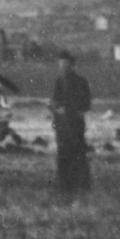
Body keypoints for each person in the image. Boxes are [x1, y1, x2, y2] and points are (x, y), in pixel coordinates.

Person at [50, 51, 92, 195]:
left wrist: (77, 112)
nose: (63, 67)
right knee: (63, 154)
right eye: (61, 64)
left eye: (66, 64)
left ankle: (81, 184)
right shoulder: (59, 81)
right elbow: (54, 102)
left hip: (75, 125)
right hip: (62, 125)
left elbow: (87, 103)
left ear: (72, 64)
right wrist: (57, 110)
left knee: (78, 154)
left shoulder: (81, 81)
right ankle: (64, 184)